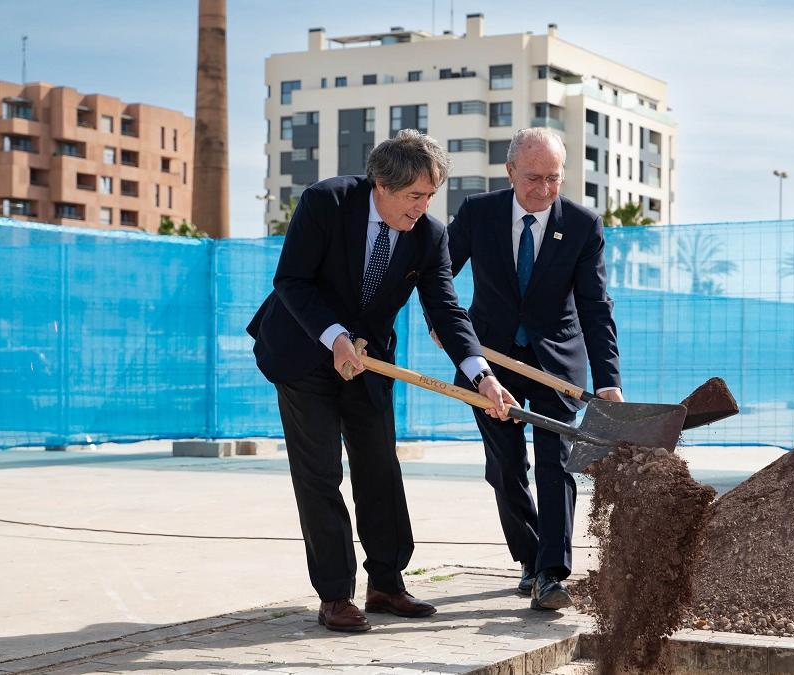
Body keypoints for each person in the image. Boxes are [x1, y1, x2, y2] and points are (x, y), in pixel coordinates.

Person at [247, 130, 514, 633]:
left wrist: (482, 375)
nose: (422, 207)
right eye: (415, 195)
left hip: (369, 361)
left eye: (430, 196)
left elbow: (447, 310)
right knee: (321, 472)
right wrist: (335, 337)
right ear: (381, 185)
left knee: (379, 468)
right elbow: (292, 280)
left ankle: (387, 583)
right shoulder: (326, 202)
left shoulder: (429, 235)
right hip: (304, 350)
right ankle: (334, 594)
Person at [434, 127, 622, 610]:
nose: (542, 190)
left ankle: (551, 574)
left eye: (553, 179)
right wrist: (444, 326)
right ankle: (529, 558)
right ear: (510, 170)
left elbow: (596, 307)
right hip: (488, 361)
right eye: (533, 178)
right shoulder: (479, 213)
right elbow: (438, 275)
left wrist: (608, 383)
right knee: (505, 467)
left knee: (556, 463)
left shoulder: (582, 225)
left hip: (556, 361)